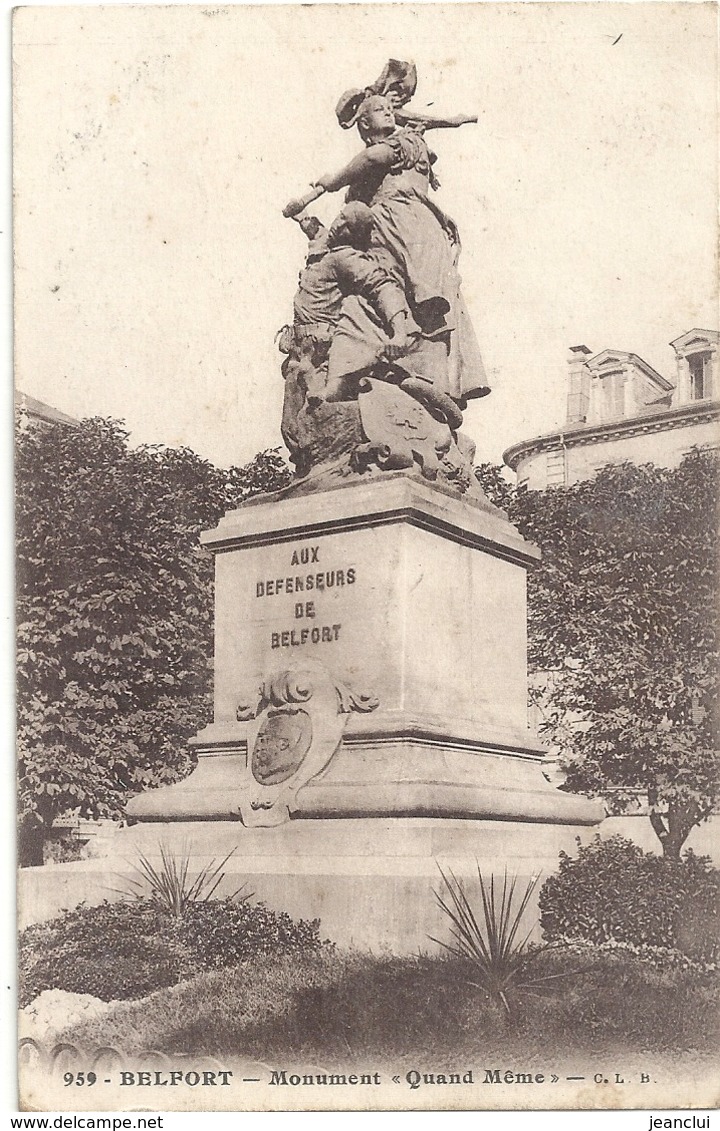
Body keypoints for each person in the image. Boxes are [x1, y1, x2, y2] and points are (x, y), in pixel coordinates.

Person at [283, 76, 489, 413]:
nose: (388, 113)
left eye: (389, 108)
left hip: (405, 227)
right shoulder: (377, 170)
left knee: (415, 299)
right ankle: (371, 371)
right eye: (379, 110)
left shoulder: (404, 144)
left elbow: (371, 159)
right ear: (364, 124)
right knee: (379, 298)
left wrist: (331, 180)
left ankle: (421, 374)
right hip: (394, 230)